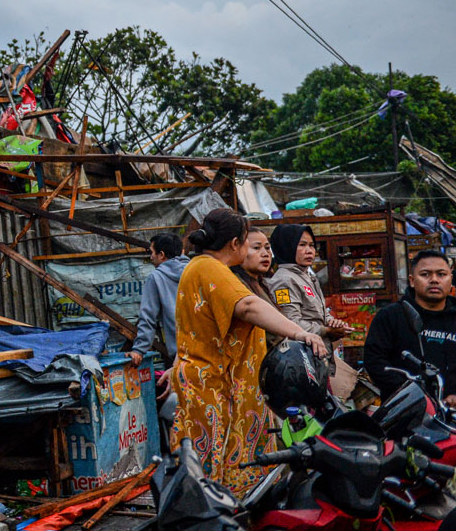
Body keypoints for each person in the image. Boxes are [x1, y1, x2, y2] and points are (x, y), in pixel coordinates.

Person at [171, 208, 328, 496]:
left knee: (227, 463)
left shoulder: (202, 267)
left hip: (217, 382)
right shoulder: (209, 267)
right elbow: (248, 306)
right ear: (234, 244)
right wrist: (299, 332)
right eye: (249, 243)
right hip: (212, 386)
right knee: (215, 470)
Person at [363, 250, 456, 411]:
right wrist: (411, 394)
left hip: (451, 416)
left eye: (441, 274)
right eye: (425, 274)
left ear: (451, 280)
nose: (434, 280)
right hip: (401, 414)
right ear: (412, 280)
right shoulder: (390, 317)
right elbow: (374, 362)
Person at [266, 224, 350, 364]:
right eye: (302, 245)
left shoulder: (307, 276)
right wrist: (326, 330)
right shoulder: (284, 281)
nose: (309, 251)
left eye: (312, 245)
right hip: (301, 358)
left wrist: (332, 322)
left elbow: (319, 314)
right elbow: (290, 322)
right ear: (287, 246)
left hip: (317, 355)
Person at [130, 232, 190, 369]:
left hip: (180, 355)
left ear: (161, 255)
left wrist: (139, 349)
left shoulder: (156, 277)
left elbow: (148, 317)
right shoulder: (197, 269)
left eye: (152, 252)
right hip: (209, 350)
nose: (150, 257)